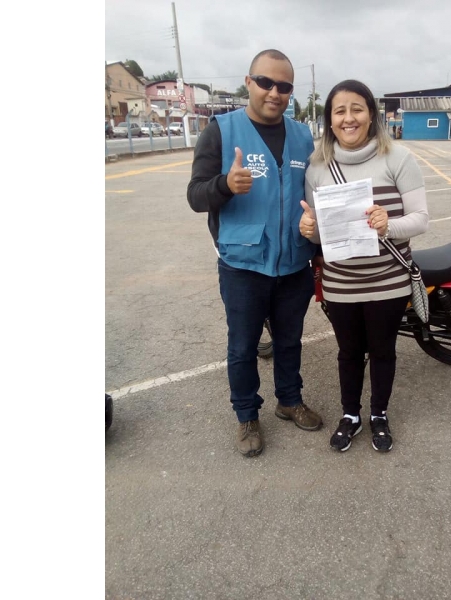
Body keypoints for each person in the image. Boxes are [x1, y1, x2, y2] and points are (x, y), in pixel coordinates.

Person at [186, 49, 323, 458]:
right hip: (243, 265)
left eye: (284, 86)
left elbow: (313, 195)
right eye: (266, 82)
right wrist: (225, 185)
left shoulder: (302, 135)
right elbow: (195, 196)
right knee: (243, 346)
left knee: (289, 340)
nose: (275, 92)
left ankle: (289, 400)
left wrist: (314, 233)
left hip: (294, 263)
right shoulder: (221, 131)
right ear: (248, 82)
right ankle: (247, 415)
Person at [298, 79, 429, 453]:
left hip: (388, 281)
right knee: (348, 352)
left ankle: (379, 414)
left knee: (384, 350)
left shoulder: (398, 158)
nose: (348, 117)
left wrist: (390, 224)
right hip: (341, 284)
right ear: (330, 119)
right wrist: (309, 230)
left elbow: (421, 219)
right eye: (340, 110)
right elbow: (320, 235)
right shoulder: (317, 168)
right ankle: (351, 415)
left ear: (371, 115)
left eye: (357, 108)